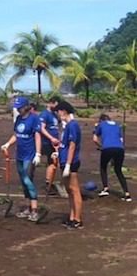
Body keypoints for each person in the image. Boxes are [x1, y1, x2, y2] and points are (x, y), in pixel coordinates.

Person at [1, 96, 42, 222]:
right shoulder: (18, 119)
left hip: (29, 154)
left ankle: (35, 209)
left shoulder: (34, 119)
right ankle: (27, 207)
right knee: (23, 182)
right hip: (19, 154)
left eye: (20, 108)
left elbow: (37, 136)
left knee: (27, 179)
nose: (18, 110)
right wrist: (8, 144)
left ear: (26, 107)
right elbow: (16, 135)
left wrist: (38, 154)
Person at [57, 101, 83, 229]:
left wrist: (68, 164)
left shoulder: (73, 125)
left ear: (63, 111)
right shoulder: (67, 126)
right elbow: (65, 145)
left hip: (71, 162)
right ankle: (72, 217)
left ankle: (77, 219)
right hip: (64, 160)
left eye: (59, 111)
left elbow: (72, 146)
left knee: (74, 190)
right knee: (69, 191)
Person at [93, 114, 131, 202]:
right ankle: (127, 193)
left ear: (101, 120)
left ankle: (105, 188)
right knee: (118, 170)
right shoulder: (117, 125)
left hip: (107, 148)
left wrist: (101, 146)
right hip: (120, 149)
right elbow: (121, 140)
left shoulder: (101, 124)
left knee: (103, 167)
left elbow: (95, 139)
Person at [38, 96, 62, 196]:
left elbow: (58, 126)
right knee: (52, 162)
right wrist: (51, 138)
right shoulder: (45, 114)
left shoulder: (54, 115)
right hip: (47, 142)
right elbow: (42, 128)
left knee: (54, 162)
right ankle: (48, 183)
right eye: (56, 104)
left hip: (55, 142)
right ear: (51, 103)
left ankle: (49, 182)